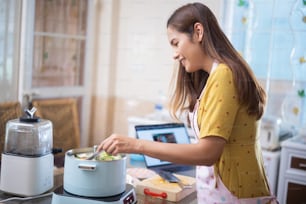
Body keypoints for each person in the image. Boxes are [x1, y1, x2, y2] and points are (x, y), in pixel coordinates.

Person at [98, 2, 278, 204]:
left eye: (176, 42)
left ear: (198, 32)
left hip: (236, 196)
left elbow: (207, 152)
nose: (174, 54)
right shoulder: (215, 76)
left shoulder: (224, 75)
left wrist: (136, 144)